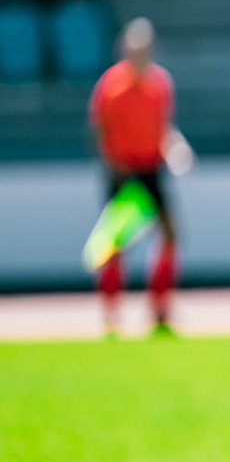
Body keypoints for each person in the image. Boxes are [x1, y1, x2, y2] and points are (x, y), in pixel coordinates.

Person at [88, 18, 192, 337]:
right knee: (115, 242)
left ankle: (160, 309)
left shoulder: (160, 84)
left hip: (151, 168)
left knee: (170, 234)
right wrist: (114, 165)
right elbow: (99, 129)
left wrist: (175, 147)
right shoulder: (111, 86)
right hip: (122, 170)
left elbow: (163, 127)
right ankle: (111, 311)